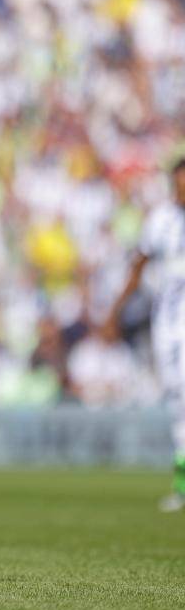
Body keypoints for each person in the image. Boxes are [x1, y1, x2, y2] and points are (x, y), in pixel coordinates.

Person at [105, 158, 185, 513]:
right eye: (178, 185)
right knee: (176, 397)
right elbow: (139, 264)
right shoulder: (161, 220)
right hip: (166, 323)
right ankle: (181, 483)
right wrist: (116, 310)